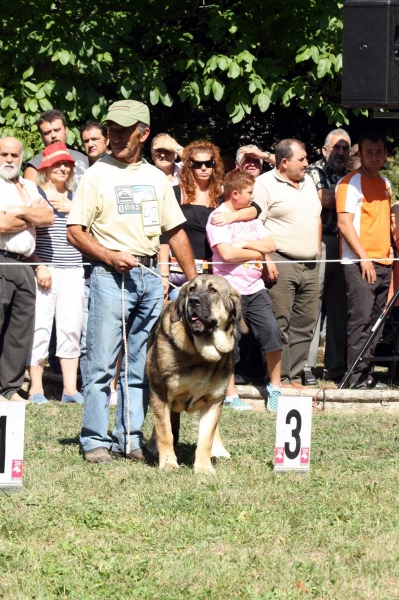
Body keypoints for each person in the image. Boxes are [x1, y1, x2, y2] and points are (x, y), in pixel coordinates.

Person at [67, 99, 197, 464]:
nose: (116, 137)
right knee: (102, 363)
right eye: (113, 130)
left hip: (151, 277)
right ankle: (94, 439)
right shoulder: (96, 174)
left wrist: (195, 283)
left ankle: (129, 437)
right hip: (111, 276)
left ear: (144, 133)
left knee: (141, 364)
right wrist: (109, 256)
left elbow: (175, 232)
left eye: (125, 131)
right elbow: (74, 231)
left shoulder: (157, 178)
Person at [206, 169, 282, 411]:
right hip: (229, 290)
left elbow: (271, 244)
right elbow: (227, 254)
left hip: (256, 287)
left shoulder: (249, 217)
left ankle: (276, 388)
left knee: (271, 332)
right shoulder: (217, 218)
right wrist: (258, 252)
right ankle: (230, 395)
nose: (253, 198)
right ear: (235, 194)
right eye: (250, 193)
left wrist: (249, 245)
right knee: (230, 342)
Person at [255, 139, 322, 388]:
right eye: (302, 159)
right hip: (281, 260)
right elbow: (255, 225)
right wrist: (266, 259)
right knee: (279, 323)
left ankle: (294, 376)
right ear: (284, 163)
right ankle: (278, 378)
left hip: (311, 263)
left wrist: (316, 249)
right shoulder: (264, 184)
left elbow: (316, 218)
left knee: (305, 323)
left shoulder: (308, 182)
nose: (307, 163)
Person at [26, 143, 85, 405]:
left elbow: (90, 231)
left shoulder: (78, 197)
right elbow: (25, 239)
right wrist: (39, 265)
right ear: (45, 168)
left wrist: (72, 210)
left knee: (71, 327)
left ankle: (70, 390)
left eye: (68, 164)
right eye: (57, 164)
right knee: (39, 327)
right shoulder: (35, 196)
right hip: (44, 269)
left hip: (74, 269)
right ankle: (36, 388)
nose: (63, 168)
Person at [0, 137, 54, 403]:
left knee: (20, 329)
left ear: (22, 157)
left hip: (26, 262)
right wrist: (31, 217)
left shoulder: (30, 186)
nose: (9, 159)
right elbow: (0, 225)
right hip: (1, 259)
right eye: (3, 154)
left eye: (14, 155)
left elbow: (48, 218)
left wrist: (20, 212)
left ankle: (9, 388)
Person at [337, 132, 392, 389]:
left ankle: (368, 375)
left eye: (379, 152)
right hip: (359, 263)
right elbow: (345, 225)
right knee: (359, 321)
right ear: (360, 155)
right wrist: (365, 258)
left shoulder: (386, 183)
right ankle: (355, 379)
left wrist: (389, 248)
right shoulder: (349, 183)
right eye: (369, 152)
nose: (374, 157)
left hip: (385, 263)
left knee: (377, 322)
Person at [305, 128, 351, 385]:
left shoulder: (350, 175)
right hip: (320, 242)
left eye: (345, 148)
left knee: (339, 309)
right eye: (336, 148)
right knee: (313, 305)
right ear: (325, 150)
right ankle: (307, 367)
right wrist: (355, 198)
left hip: (346, 244)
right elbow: (325, 199)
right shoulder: (313, 170)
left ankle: (336, 367)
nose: (341, 153)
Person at [24, 109, 88, 186]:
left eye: (57, 130)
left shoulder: (82, 158)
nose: (53, 136)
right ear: (42, 137)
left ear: (66, 130)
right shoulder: (34, 167)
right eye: (47, 133)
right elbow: (30, 196)